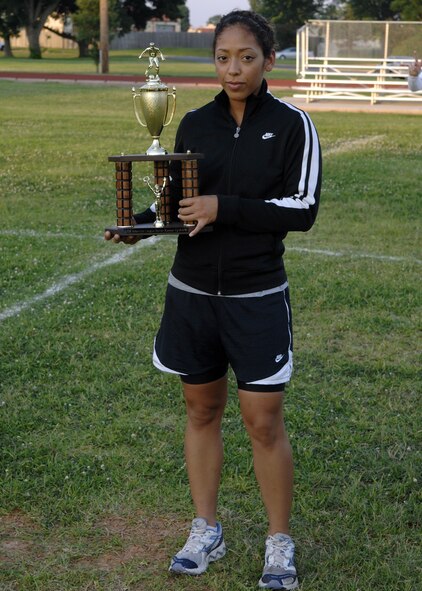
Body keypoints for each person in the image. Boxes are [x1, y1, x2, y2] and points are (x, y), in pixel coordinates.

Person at [105, 10, 321, 590]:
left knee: (263, 420)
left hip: (256, 294)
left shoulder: (295, 125)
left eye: (246, 57)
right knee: (201, 411)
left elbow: (303, 210)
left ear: (269, 61)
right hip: (193, 294)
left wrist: (223, 207)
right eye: (223, 57)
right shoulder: (195, 124)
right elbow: (177, 200)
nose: (233, 68)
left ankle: (279, 544)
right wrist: (140, 224)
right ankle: (206, 528)